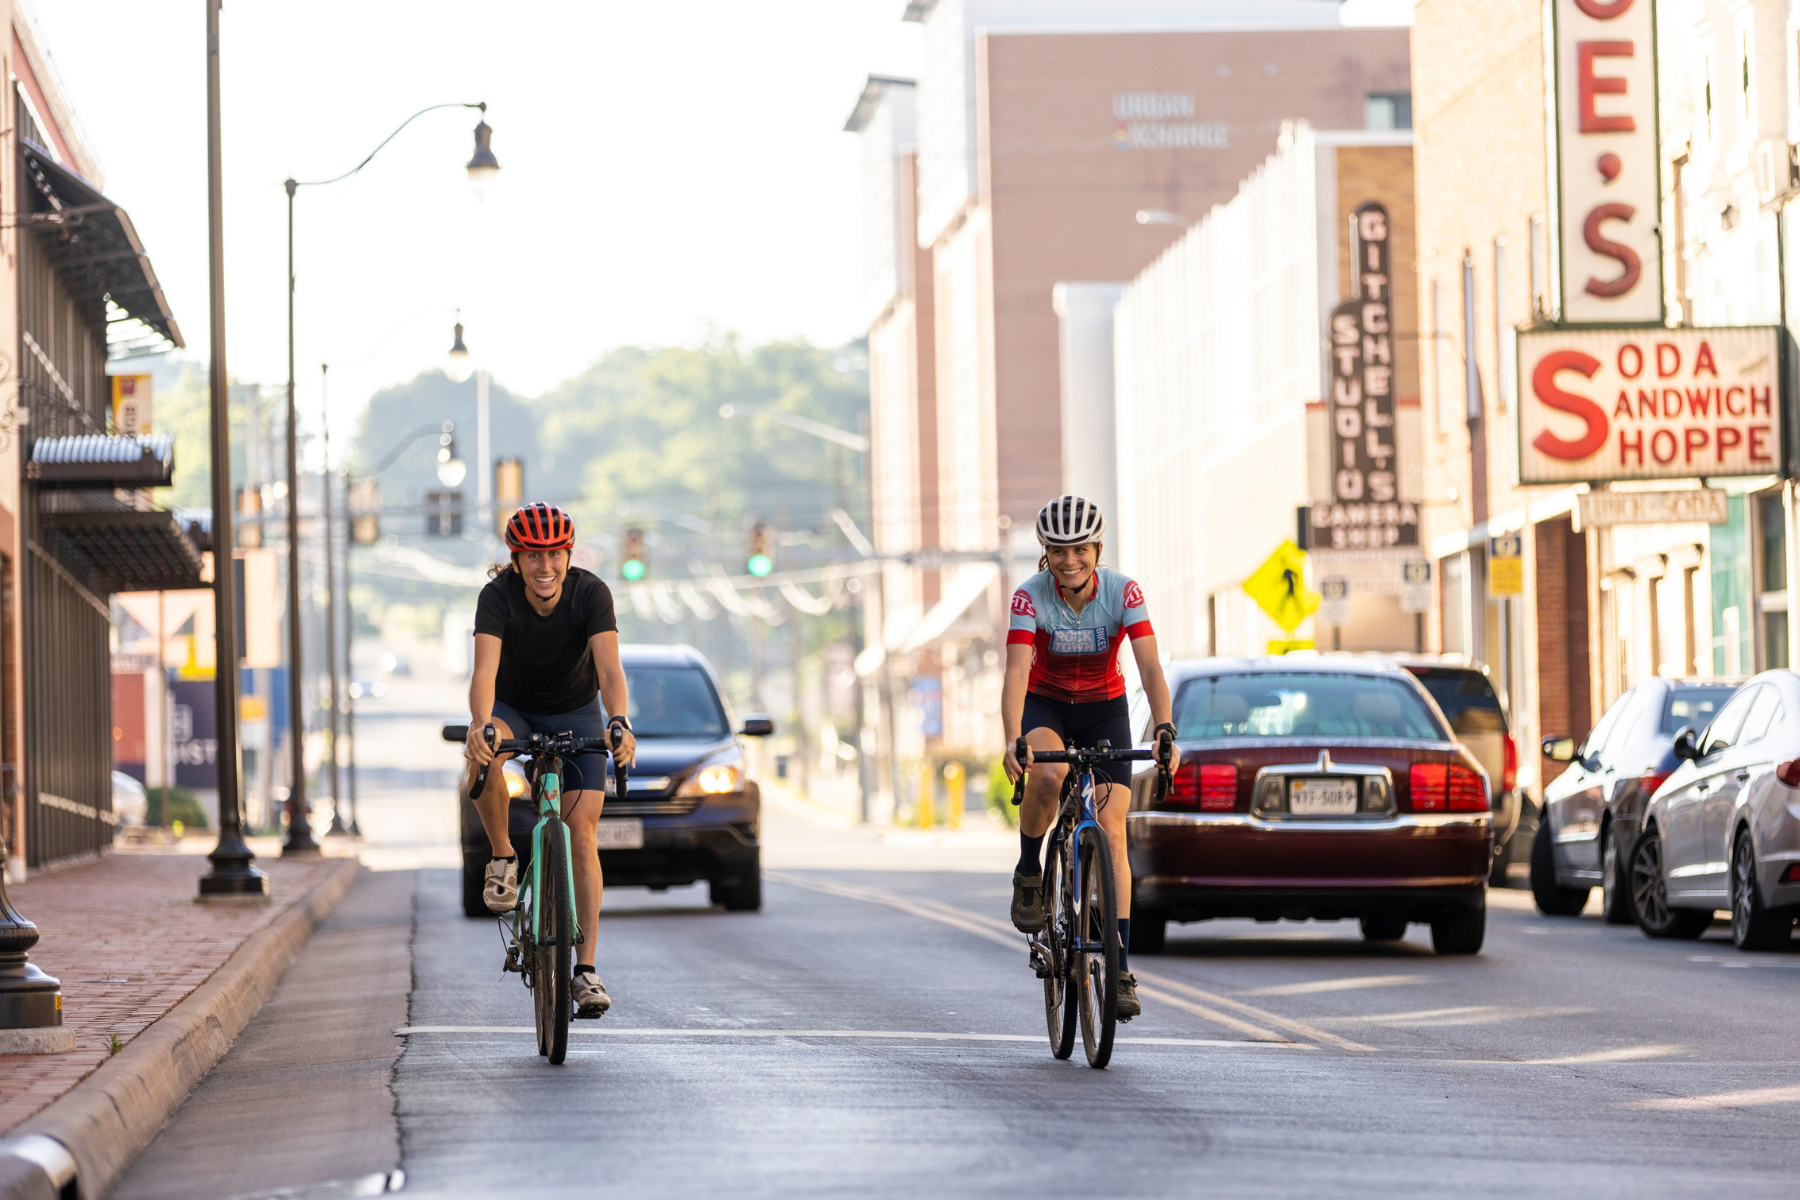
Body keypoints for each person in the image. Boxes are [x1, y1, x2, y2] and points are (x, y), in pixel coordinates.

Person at [1001, 494, 1180, 1021]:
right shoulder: (1028, 598)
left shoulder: (1124, 592)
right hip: (1046, 704)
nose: (1069, 560)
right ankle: (1030, 870)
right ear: (1046, 554)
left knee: (1114, 828)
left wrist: (1165, 728)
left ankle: (1120, 968)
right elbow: (1015, 673)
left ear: (1097, 549)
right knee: (1051, 771)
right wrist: (1015, 737)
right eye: (1057, 551)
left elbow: (1149, 668)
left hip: (1105, 708)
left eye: (1079, 549)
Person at [465, 502, 637, 1019]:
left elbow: (609, 671)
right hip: (514, 709)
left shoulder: (592, 594)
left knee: (580, 833)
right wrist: (481, 725)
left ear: (569, 555)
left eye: (555, 555)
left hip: (575, 710)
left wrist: (619, 722)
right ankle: (503, 858)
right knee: (484, 754)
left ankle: (584, 970)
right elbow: (484, 675)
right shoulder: (496, 599)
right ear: (516, 560)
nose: (545, 567)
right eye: (533, 556)